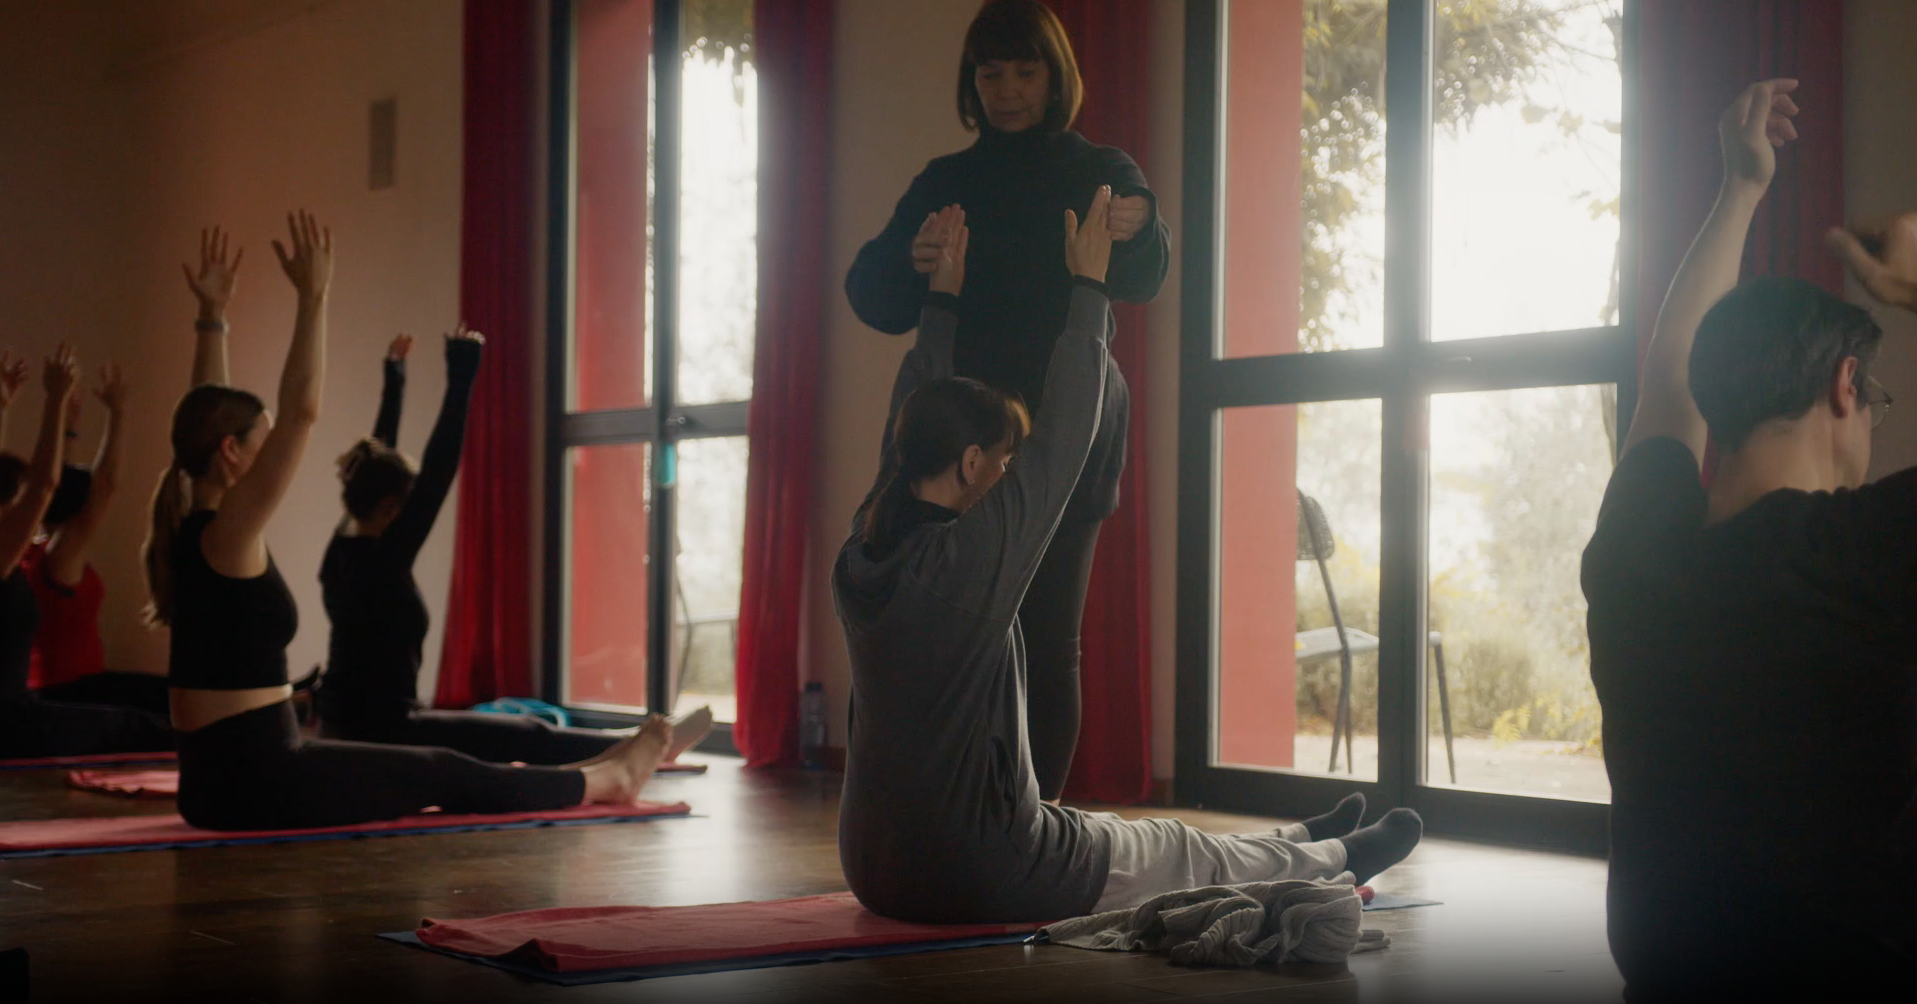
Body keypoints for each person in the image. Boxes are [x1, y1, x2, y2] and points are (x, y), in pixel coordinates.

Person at [835, 193, 1421, 924]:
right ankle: (1339, 858)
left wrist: (942, 300)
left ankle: (1301, 839)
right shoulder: (967, 560)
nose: (1012, 474)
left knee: (1134, 838)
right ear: (973, 463)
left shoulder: (864, 548)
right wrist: (1090, 287)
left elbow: (910, 416)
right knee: (1170, 848)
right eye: (1004, 461)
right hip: (976, 868)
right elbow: (1064, 436)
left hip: (875, 866)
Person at [151, 217, 670, 830]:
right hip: (259, 781)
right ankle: (602, 781)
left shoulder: (195, 525)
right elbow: (301, 412)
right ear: (231, 453)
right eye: (260, 442)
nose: (272, 453)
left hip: (220, 785)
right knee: (439, 770)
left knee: (435, 763)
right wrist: (314, 297)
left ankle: (596, 768)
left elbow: (205, 416)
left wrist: (213, 318)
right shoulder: (228, 532)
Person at [1582, 79, 1917, 999]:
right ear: (1845, 385)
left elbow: (1666, 376)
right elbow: (1672, 377)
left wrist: (1738, 189)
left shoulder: (1636, 554)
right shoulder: (1868, 551)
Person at [844, 0, 1170, 801]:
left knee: (1048, 637)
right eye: (991, 74)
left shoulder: (1100, 168)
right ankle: (950, 809)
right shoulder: (945, 182)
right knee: (949, 629)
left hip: (1070, 426)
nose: (1009, 90)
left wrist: (1138, 224)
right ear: (973, 81)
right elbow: (872, 297)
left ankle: (1035, 824)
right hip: (961, 439)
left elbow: (1144, 279)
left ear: (1056, 78)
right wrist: (911, 258)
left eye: (1026, 71)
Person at [316, 329, 712, 763]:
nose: (415, 510)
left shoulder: (342, 549)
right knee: (524, 735)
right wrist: (461, 374)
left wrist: (395, 378)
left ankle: (636, 742)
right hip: (384, 732)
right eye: (407, 503)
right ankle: (647, 746)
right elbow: (437, 470)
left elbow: (377, 463)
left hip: (347, 723)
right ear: (390, 507)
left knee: (516, 733)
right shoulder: (384, 560)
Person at [0, 345, 173, 758]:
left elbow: (45, 485)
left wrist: (10, 409)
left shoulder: (29, 554)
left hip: (27, 704)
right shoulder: (42, 555)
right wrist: (57, 402)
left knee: (153, 706)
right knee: (139, 725)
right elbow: (52, 485)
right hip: (16, 716)